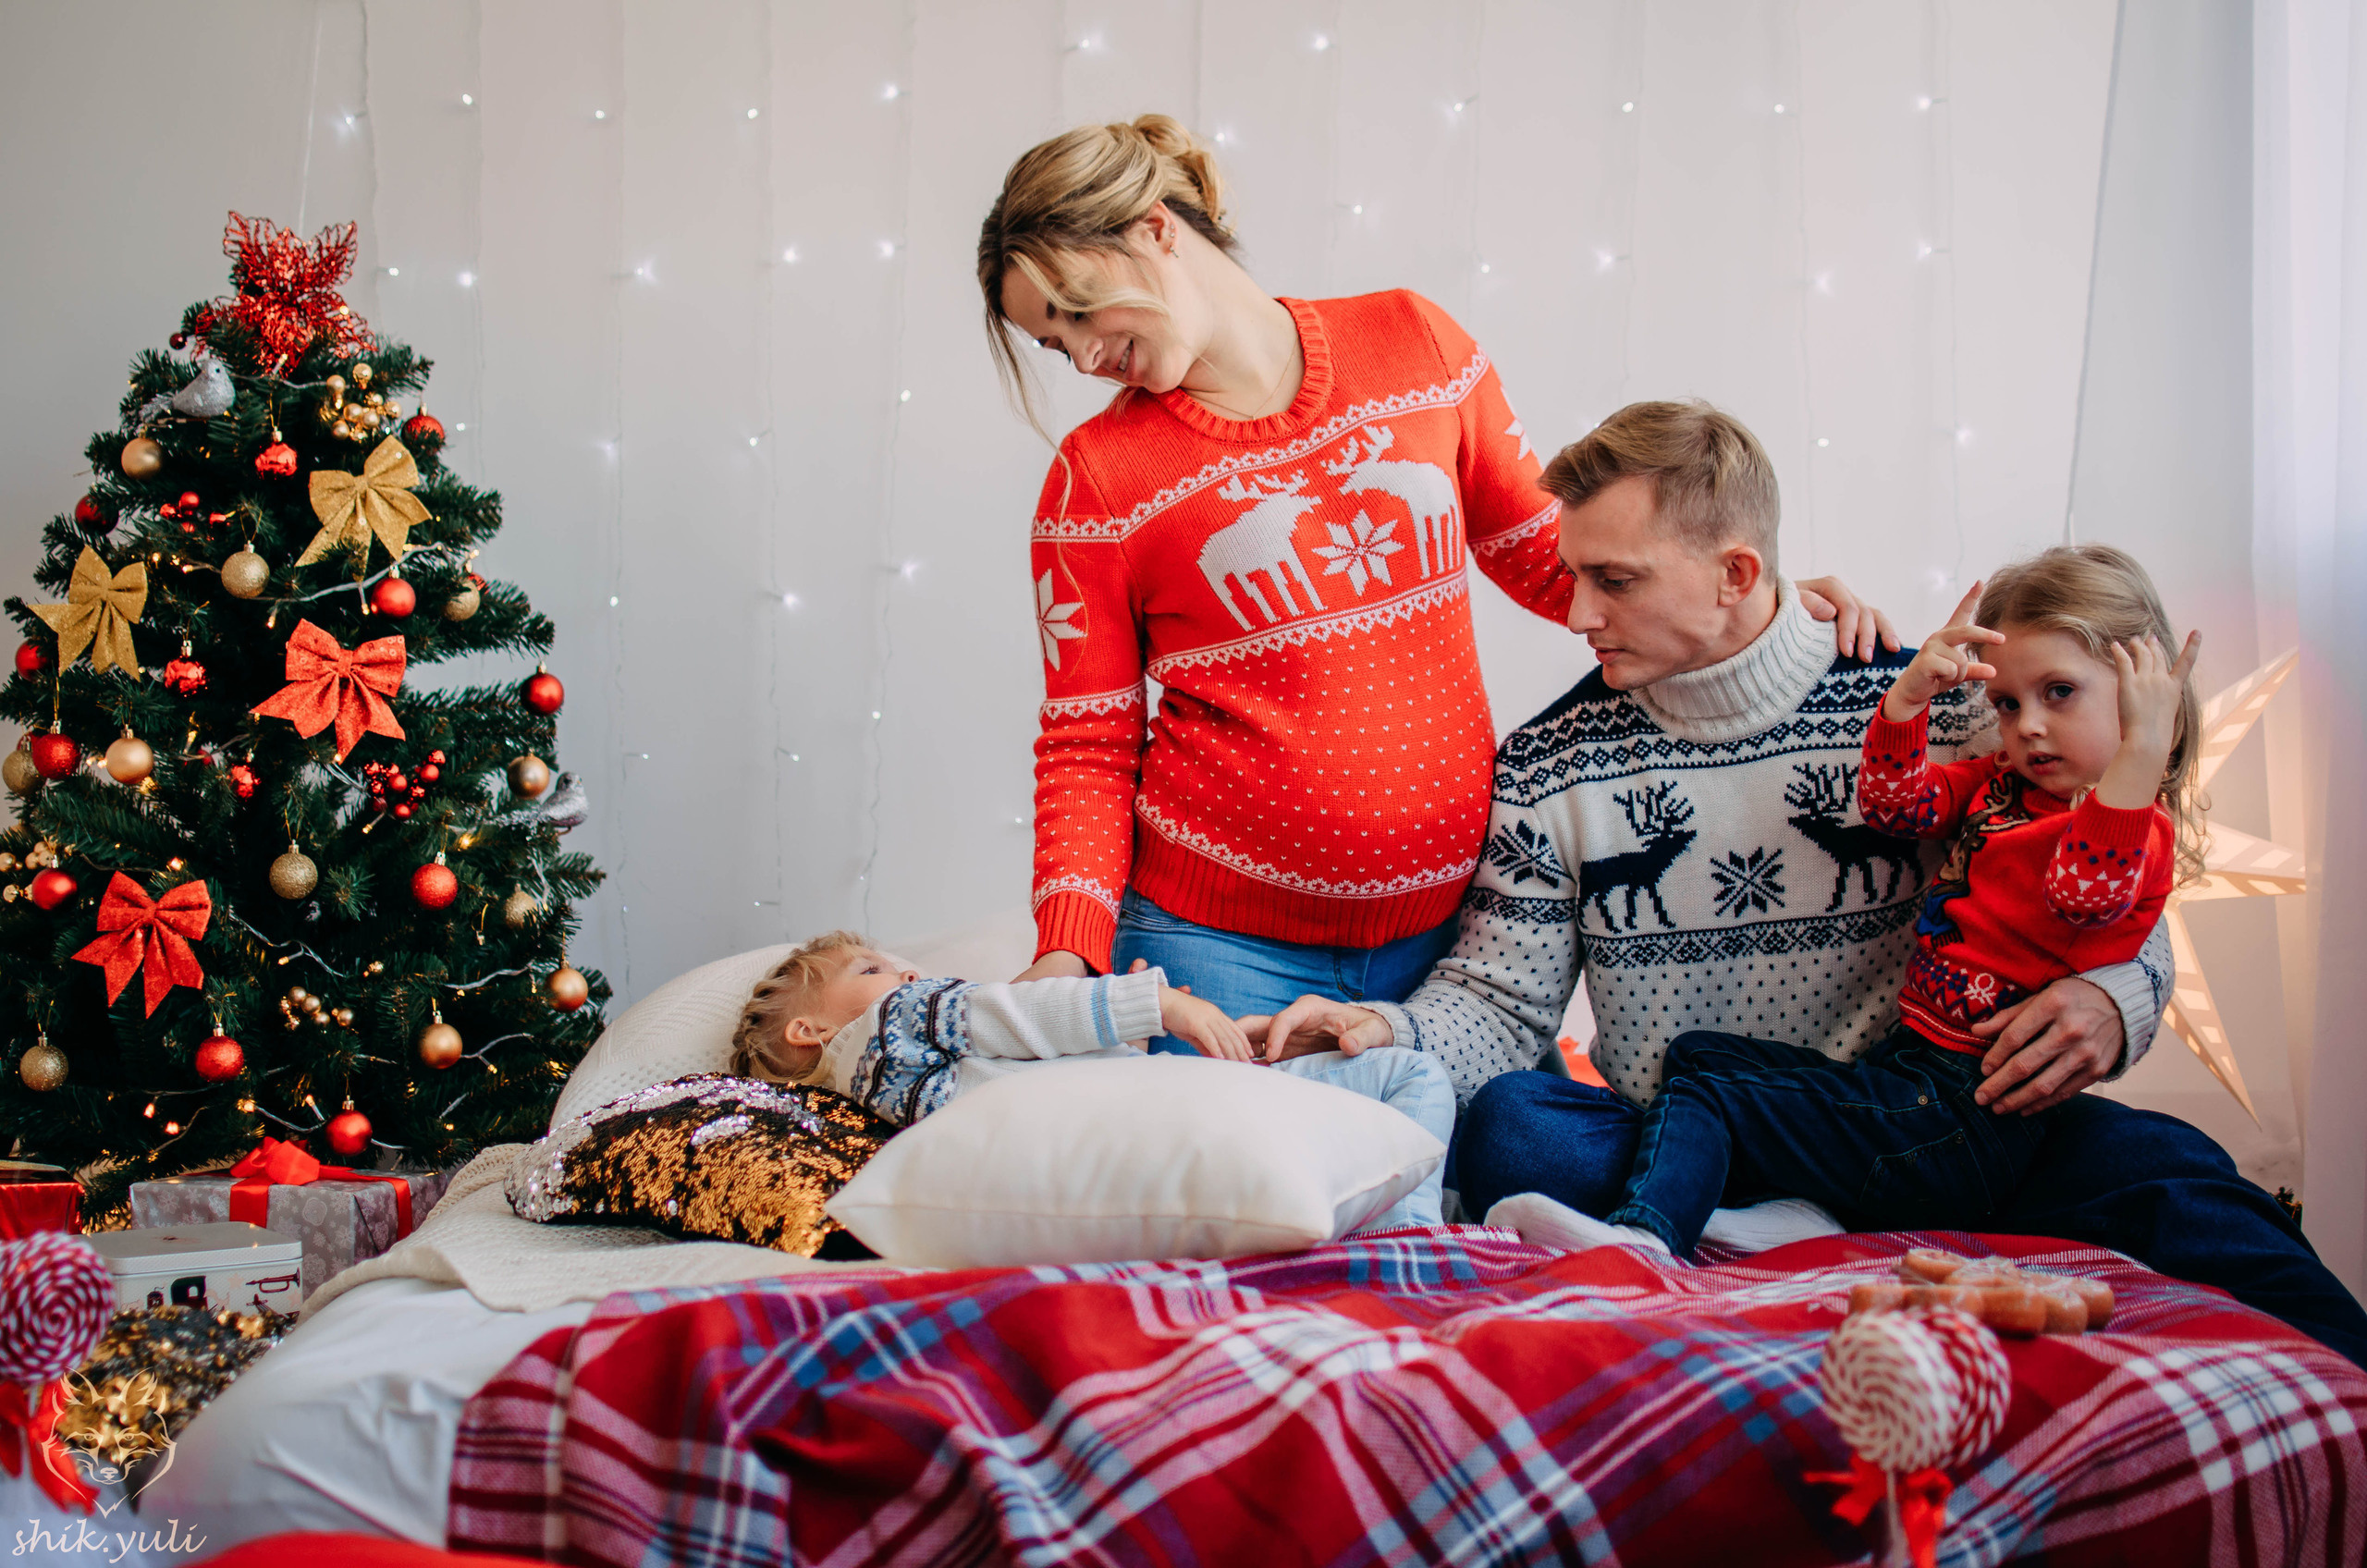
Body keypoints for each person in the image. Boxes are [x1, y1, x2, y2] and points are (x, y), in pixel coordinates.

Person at [1251, 400, 2367, 1364]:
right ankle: (1752, 1216)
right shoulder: (1550, 762)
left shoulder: (1939, 701)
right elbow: (1499, 1004)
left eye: (1612, 580)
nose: (1573, 611)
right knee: (1515, 1129)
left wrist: (2116, 998)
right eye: (1575, 574)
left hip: (1944, 1114)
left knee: (2184, 1174)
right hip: (1710, 1136)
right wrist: (1374, 1029)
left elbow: (2093, 878)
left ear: (1737, 571)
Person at [977, 116, 1895, 1024]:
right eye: (1054, 344)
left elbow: (1546, 560)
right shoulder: (1094, 481)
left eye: (1076, 310)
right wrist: (1068, 945)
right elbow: (1086, 743)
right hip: (1212, 954)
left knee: (1506, 1160)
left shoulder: (1414, 344)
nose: (1085, 356)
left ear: (1151, 225)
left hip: (1456, 947)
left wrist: (1750, 603)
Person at [1558, 548, 2201, 1260]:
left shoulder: (2133, 834)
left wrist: (2145, 749)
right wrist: (1905, 703)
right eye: (2009, 705)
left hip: (1968, 1114)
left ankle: (1642, 1240)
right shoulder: (2002, 786)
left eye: (2059, 693)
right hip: (1911, 1070)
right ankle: (1798, 1215)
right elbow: (1896, 807)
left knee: (1710, 1098)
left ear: (2142, 699)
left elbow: (2083, 895)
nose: (2029, 727)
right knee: (1696, 1058)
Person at [726, 930, 1456, 1228]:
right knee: (1412, 1079)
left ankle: (1384, 1233)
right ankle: (1408, 1257)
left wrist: (1128, 1037)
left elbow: (1053, 1097)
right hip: (1179, 1112)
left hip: (1155, 1141)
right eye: (871, 967)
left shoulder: (897, 1103)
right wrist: (1165, 1004)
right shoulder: (903, 1019)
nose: (906, 972)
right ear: (810, 1031)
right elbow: (1027, 1011)